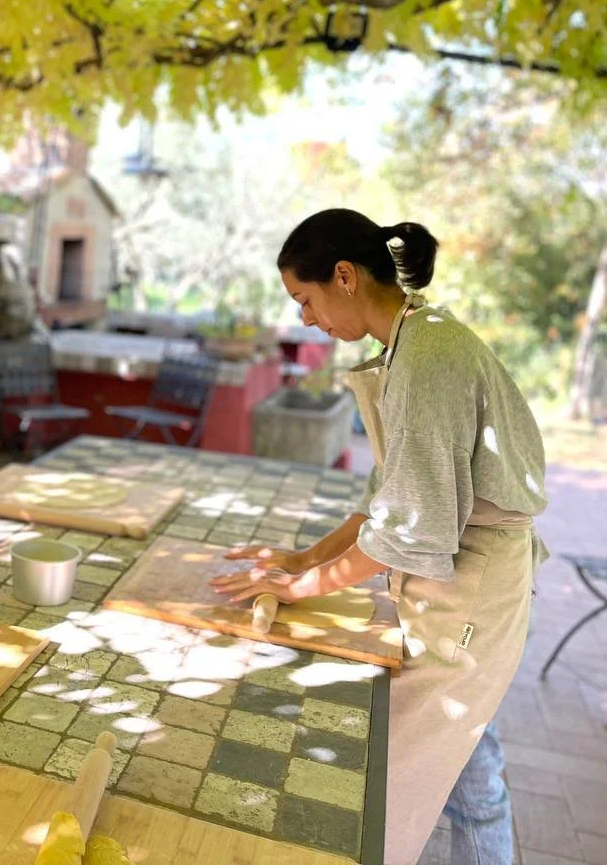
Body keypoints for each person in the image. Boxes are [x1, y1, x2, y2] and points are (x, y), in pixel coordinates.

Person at [211, 208, 546, 865]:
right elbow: (388, 502)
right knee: (474, 769)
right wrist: (303, 557)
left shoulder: (431, 354)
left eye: (305, 299)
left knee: (405, 774)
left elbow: (412, 527)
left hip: (470, 599)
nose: (305, 318)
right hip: (466, 583)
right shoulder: (410, 345)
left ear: (344, 276)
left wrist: (302, 586)